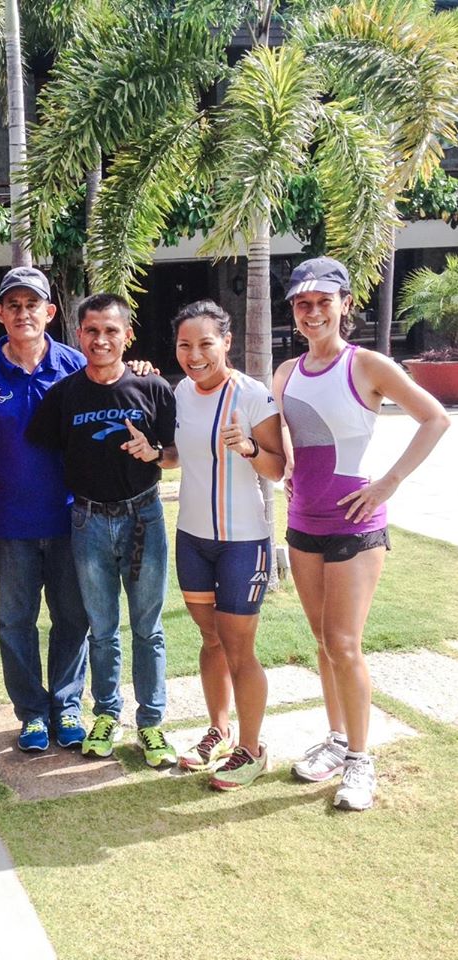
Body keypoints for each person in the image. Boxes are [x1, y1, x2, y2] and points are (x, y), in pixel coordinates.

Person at [274, 257, 450, 811]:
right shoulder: (286, 372)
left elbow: (436, 418)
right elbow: (289, 437)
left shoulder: (368, 364)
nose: (312, 312)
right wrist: (287, 467)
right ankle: (335, 741)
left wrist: (388, 483)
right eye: (303, 303)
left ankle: (359, 760)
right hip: (303, 523)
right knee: (323, 641)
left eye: (323, 302)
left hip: (356, 525)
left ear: (345, 304)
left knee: (345, 643)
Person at [26, 293, 178, 765]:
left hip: (143, 518)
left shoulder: (153, 388)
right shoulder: (64, 394)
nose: (101, 339)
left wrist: (155, 454)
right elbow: (43, 448)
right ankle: (107, 715)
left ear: (127, 335)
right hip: (88, 521)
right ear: (79, 335)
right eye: (92, 330)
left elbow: (175, 453)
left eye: (111, 330)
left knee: (148, 628)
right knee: (103, 629)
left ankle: (151, 723)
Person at [0, 267, 91, 752]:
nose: (23, 313)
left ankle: (67, 706)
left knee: (72, 617)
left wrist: (142, 371)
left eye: (33, 305)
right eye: (14, 305)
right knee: (15, 622)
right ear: (0, 313)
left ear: (49, 312)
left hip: (72, 519)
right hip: (10, 522)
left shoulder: (75, 365)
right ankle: (31, 712)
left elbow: (114, 397)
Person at [170, 301, 286, 790]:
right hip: (192, 538)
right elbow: (179, 455)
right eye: (185, 345)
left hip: (242, 543)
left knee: (239, 648)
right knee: (210, 639)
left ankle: (253, 750)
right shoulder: (180, 391)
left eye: (205, 344)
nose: (195, 355)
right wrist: (154, 453)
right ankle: (219, 731)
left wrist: (250, 448)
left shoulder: (253, 396)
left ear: (227, 342)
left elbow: (278, 468)